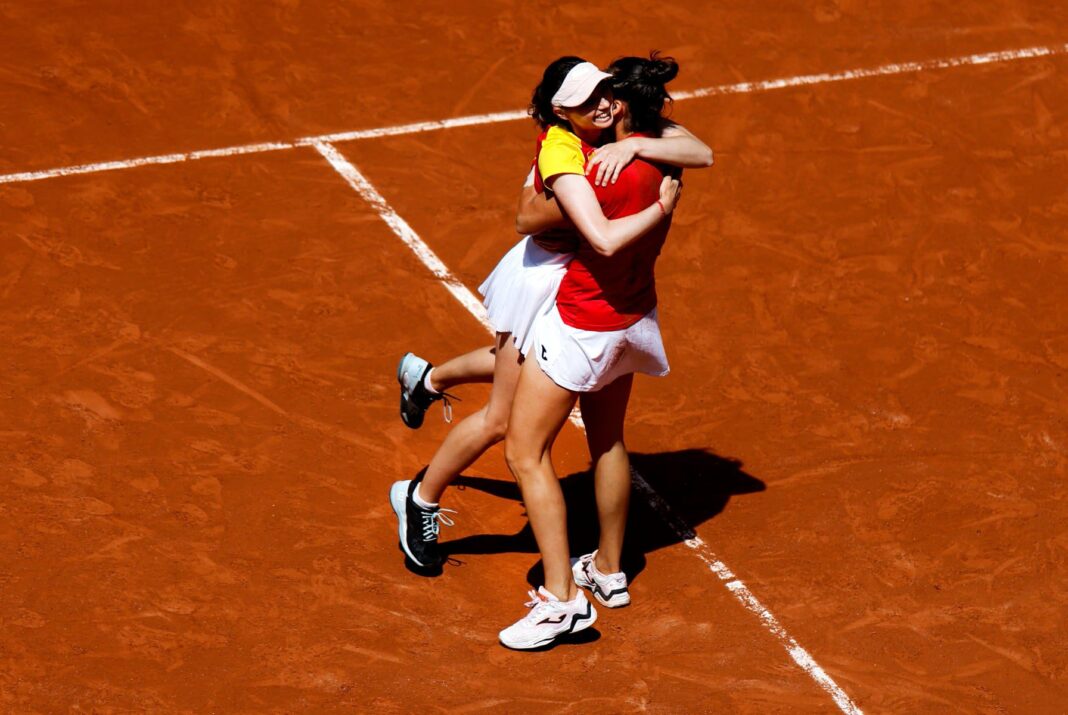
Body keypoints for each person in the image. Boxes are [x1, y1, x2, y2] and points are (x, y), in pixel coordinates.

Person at [390, 56, 711, 576]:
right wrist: (652, 205)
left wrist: (633, 144)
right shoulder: (564, 149)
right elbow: (532, 219)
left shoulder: (618, 132)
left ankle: (428, 378)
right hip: (544, 281)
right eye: (587, 101)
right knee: (501, 417)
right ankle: (419, 498)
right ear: (562, 111)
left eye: (605, 92)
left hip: (577, 277)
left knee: (517, 366)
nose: (603, 104)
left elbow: (702, 151)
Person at [497, 53, 689, 649]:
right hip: (635, 318)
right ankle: (608, 571)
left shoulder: (596, 169)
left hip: (584, 323)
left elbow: (540, 220)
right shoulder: (666, 153)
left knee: (524, 454)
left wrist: (654, 208)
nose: (603, 106)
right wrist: (656, 193)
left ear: (623, 101)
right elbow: (701, 150)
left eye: (607, 95)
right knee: (606, 439)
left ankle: (561, 601)